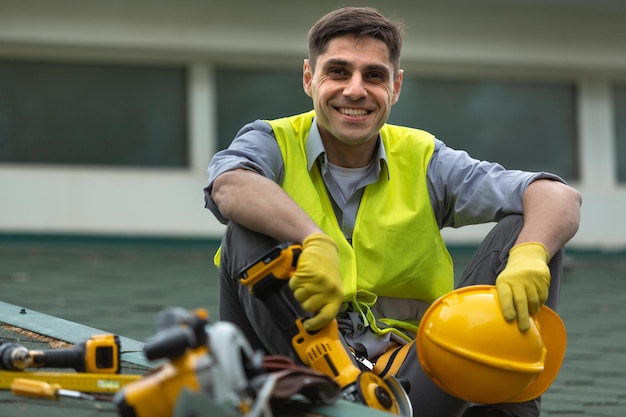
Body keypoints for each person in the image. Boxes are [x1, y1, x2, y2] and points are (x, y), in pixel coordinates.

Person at [204, 6, 582, 417]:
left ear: (396, 86)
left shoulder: (423, 158)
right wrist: (312, 240)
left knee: (532, 230)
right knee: (247, 227)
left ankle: (501, 409)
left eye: (374, 76)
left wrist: (529, 254)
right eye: (337, 72)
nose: (355, 90)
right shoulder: (271, 142)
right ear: (309, 77)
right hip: (297, 378)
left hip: (414, 383)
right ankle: (345, 391)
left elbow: (557, 196)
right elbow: (229, 183)